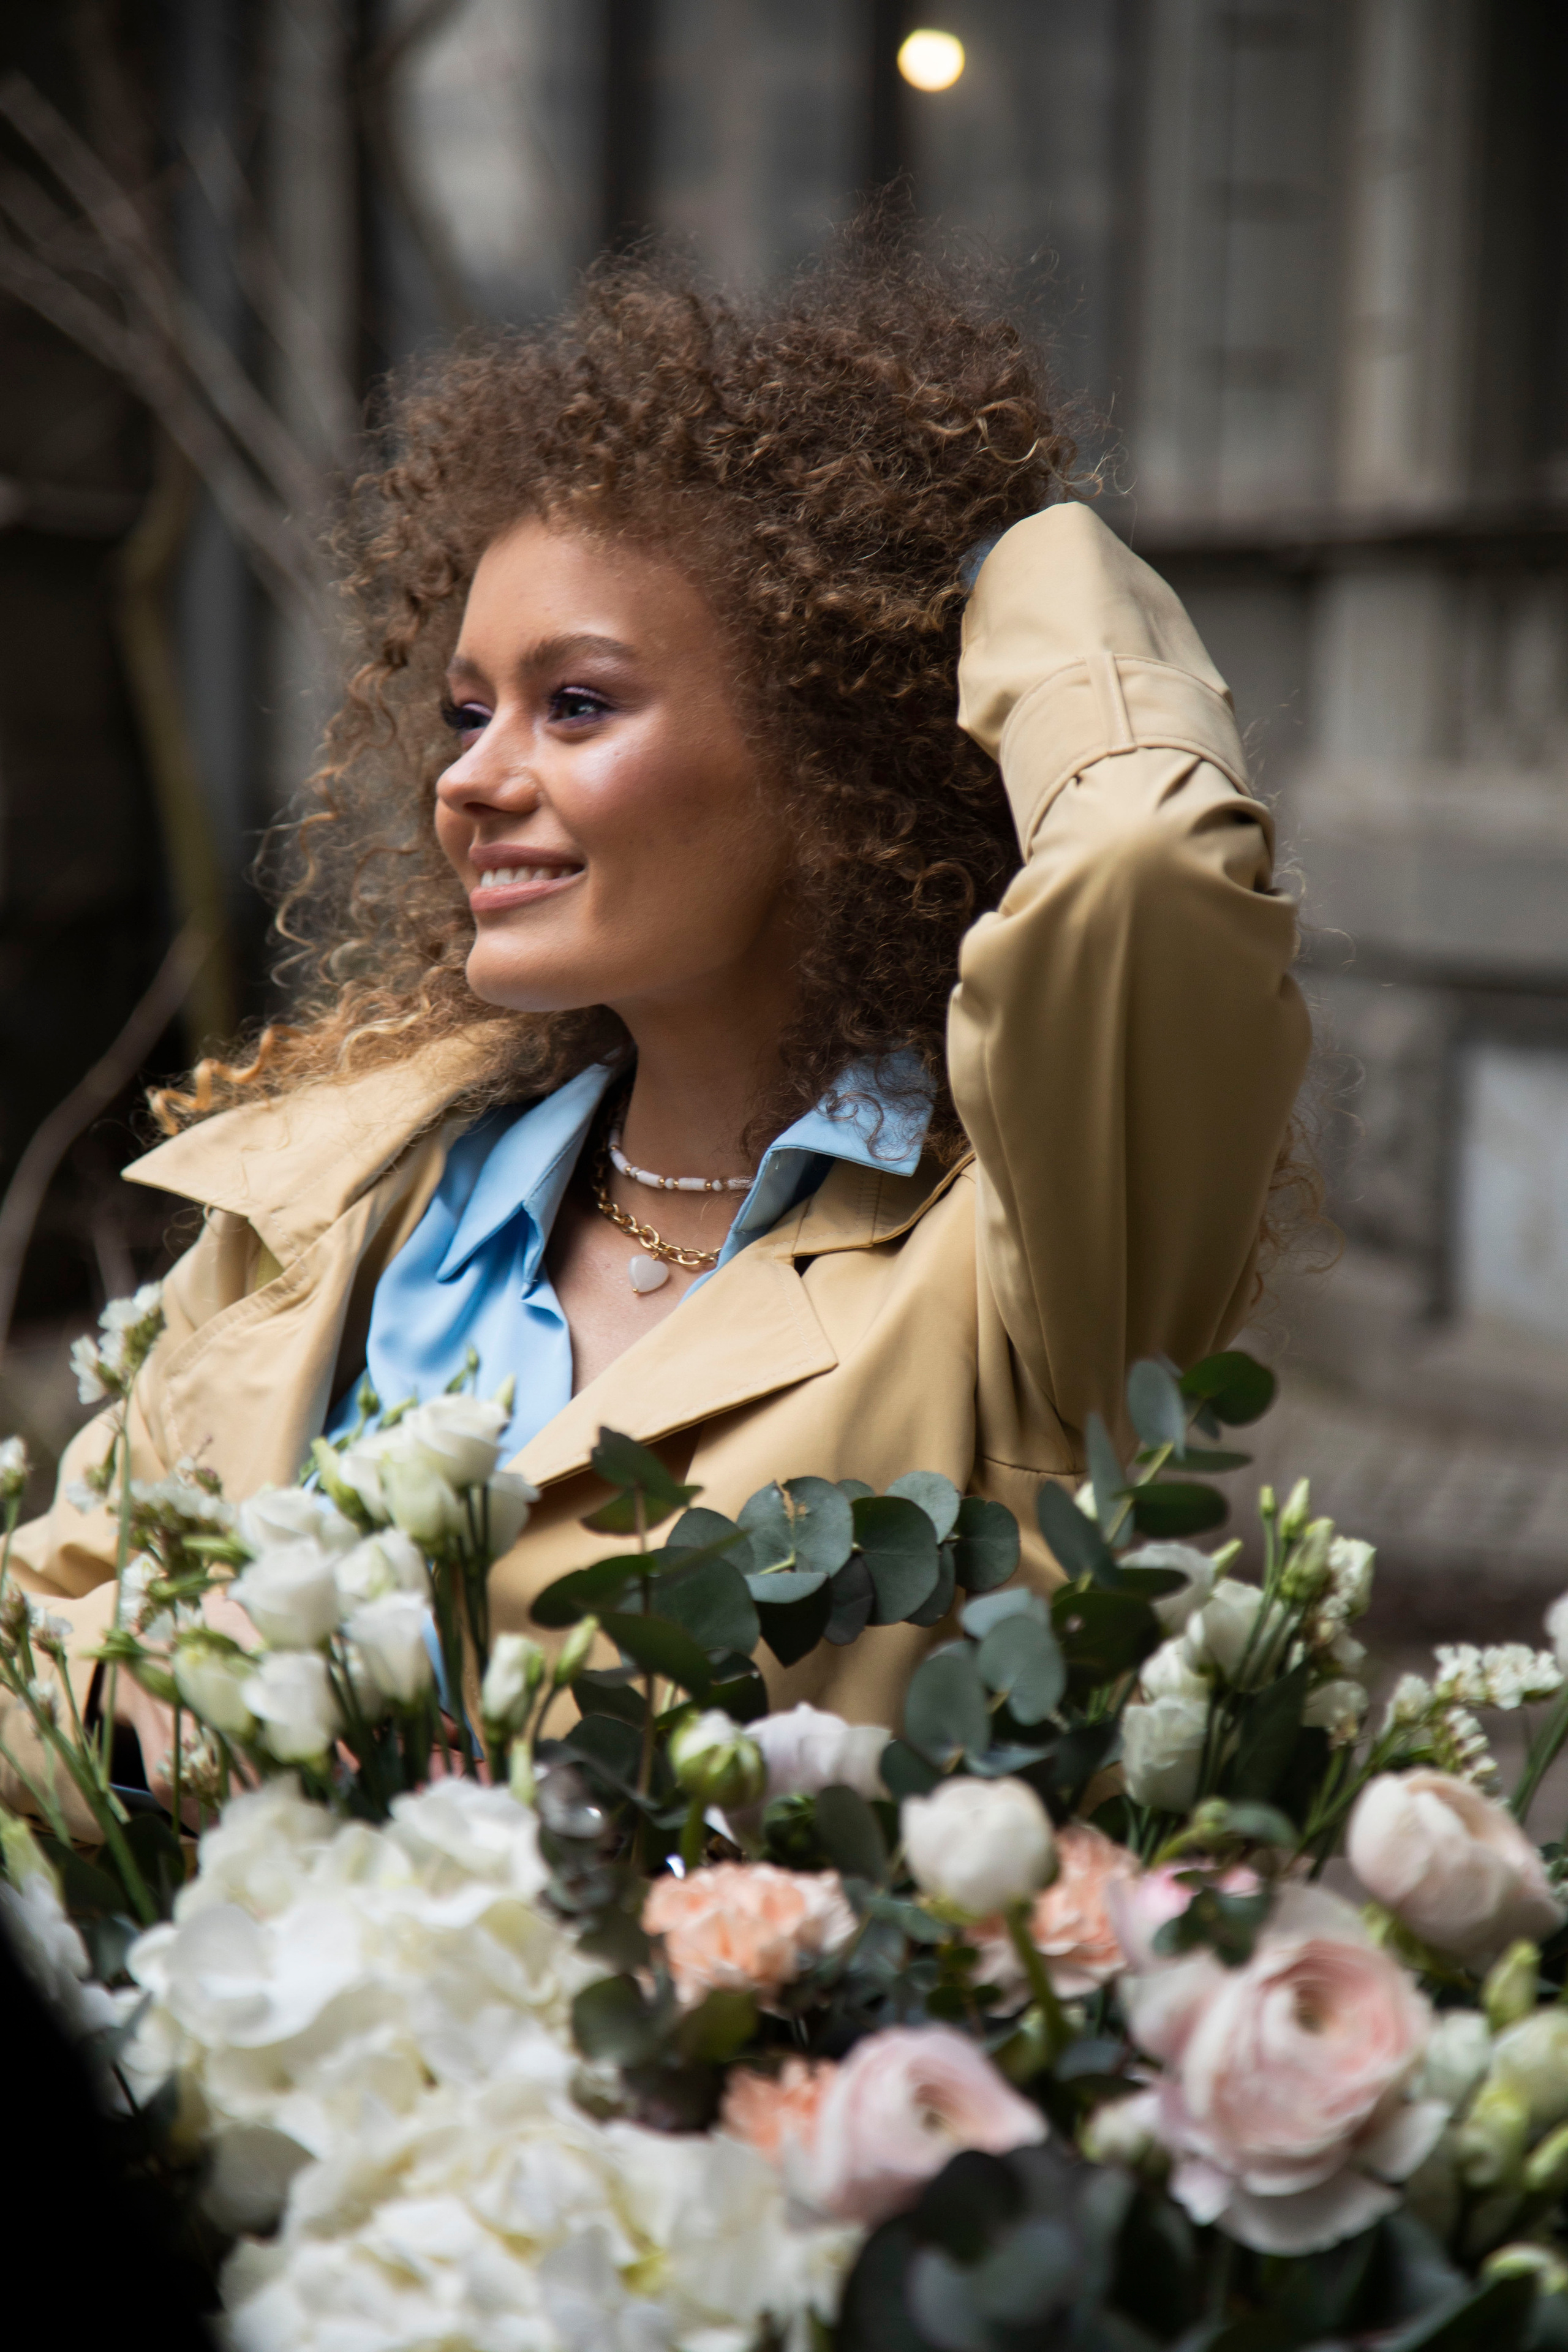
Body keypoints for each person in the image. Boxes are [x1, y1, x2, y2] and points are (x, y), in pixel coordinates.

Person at [1, 236, 1310, 1806]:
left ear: (826, 755)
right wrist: (184, 1732)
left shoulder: (1034, 1264)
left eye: (577, 704)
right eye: (467, 710)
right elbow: (41, 1635)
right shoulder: (330, 1196)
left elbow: (1147, 876)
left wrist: (1016, 554)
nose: (471, 779)